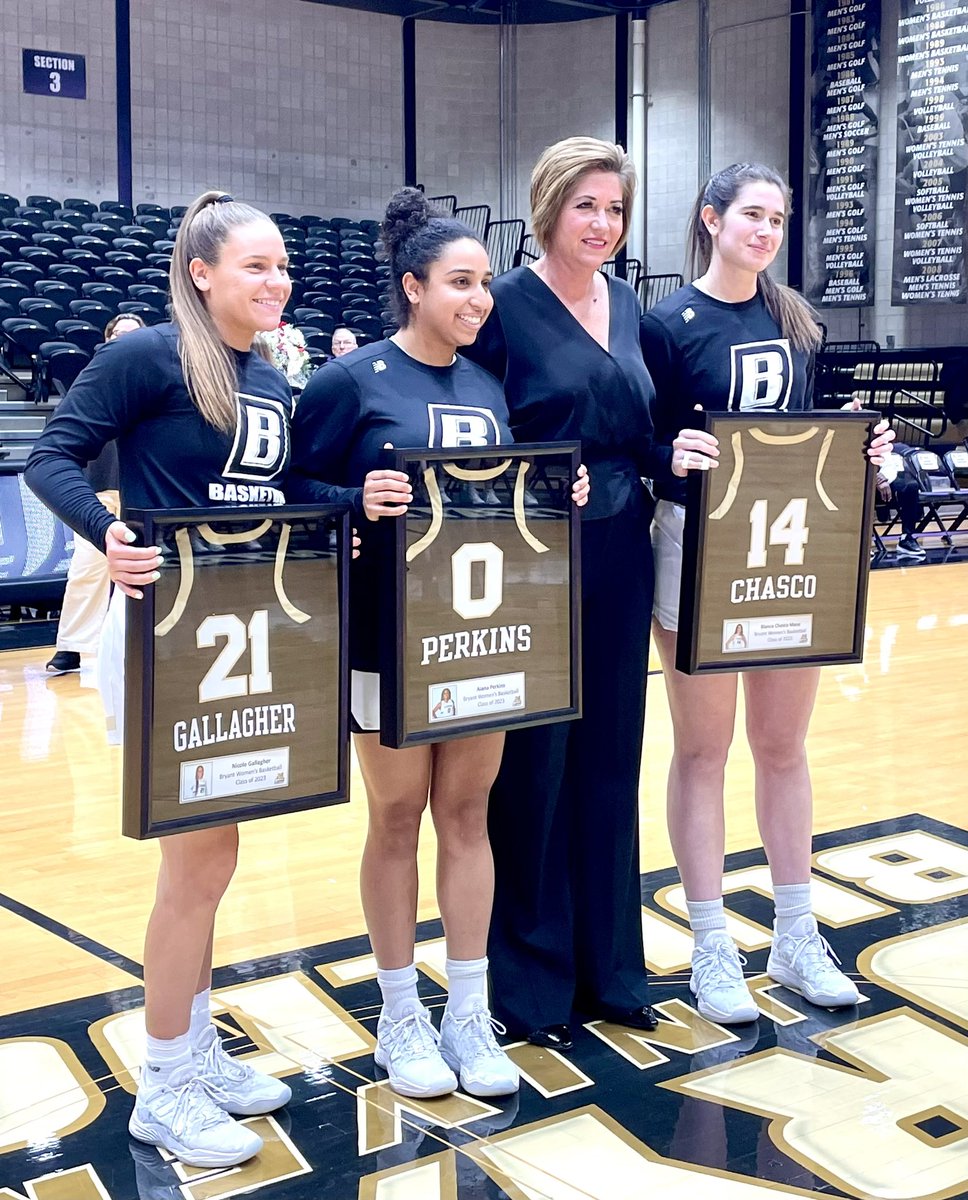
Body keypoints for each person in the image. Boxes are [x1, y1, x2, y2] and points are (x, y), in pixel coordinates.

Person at [288, 188, 590, 1098]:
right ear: (412, 286)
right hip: (386, 638)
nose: (479, 299)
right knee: (395, 818)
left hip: (482, 640)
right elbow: (294, 487)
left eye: (486, 284)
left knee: (467, 816)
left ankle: (466, 1010)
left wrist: (553, 499)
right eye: (461, 282)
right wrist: (352, 502)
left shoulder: (487, 385)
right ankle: (398, 1014)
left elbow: (493, 500)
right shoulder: (350, 381)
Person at [25, 192, 298, 1167]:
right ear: (201, 272)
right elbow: (48, 456)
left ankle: (195, 1045)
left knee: (215, 858)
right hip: (164, 640)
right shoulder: (148, 356)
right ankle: (165, 1086)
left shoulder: (265, 377)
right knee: (193, 866)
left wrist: (369, 498)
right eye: (256, 265)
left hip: (241, 635)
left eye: (281, 267)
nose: (275, 281)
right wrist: (108, 533)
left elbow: (284, 494)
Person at [640, 162, 894, 1025]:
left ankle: (794, 931)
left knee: (783, 747)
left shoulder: (798, 321)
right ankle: (712, 944)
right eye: (752, 214)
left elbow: (808, 440)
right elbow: (645, 443)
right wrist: (665, 457)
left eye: (779, 219)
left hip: (791, 555)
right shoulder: (665, 325)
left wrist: (866, 453)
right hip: (697, 547)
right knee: (702, 751)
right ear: (711, 219)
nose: (766, 231)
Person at [463, 136, 679, 1050]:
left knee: (610, 758)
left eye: (617, 210)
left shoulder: (630, 305)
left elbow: (647, 429)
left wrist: (681, 456)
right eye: (588, 205)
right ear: (549, 205)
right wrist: (538, 476)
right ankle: (533, 983)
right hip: (532, 560)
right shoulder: (502, 305)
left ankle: (614, 970)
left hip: (622, 551)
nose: (604, 225)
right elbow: (469, 430)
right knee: (534, 768)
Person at [45, 313, 146, 675]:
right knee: (87, 567)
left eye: (134, 334)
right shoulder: (93, 378)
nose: (126, 339)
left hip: (144, 492)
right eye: (120, 333)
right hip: (100, 489)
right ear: (107, 338)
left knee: (147, 572)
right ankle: (72, 646)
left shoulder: (152, 379)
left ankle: (141, 643)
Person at [876, 450, 925, 558]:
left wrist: (883, 479)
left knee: (911, 486)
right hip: (857, 480)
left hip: (880, 480)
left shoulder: (878, 438)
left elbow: (889, 465)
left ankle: (906, 538)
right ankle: (860, 541)